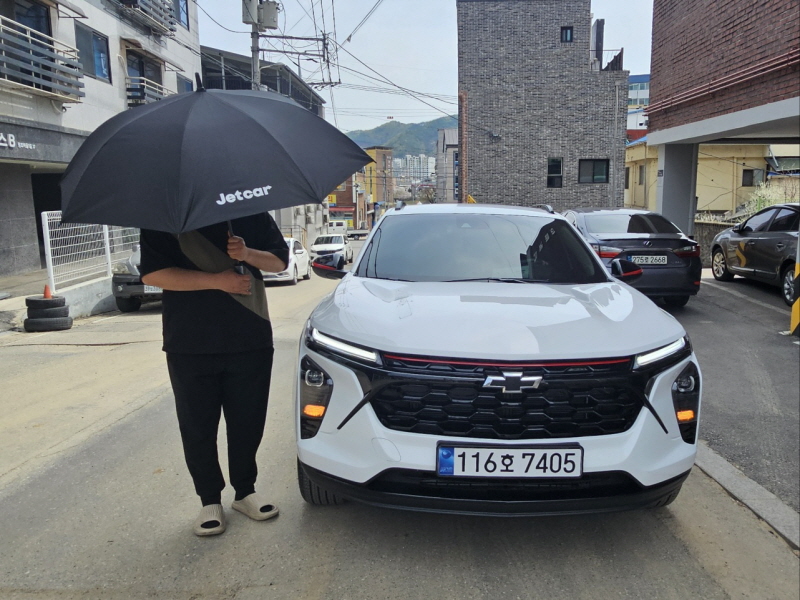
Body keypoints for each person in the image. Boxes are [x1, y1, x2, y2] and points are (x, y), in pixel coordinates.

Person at [139, 213, 289, 536]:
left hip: (250, 337)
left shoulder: (249, 209)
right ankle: (209, 500)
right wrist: (218, 281)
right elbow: (154, 273)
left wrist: (246, 254)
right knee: (197, 427)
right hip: (189, 343)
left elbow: (279, 261)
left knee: (248, 421)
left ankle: (245, 491)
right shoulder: (166, 216)